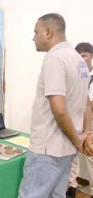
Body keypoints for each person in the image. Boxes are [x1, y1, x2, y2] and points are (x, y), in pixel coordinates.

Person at [18, 13, 91, 198]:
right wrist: (84, 134)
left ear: (48, 32)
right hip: (67, 149)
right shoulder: (79, 61)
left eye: (36, 32)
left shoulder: (55, 59)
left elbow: (59, 109)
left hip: (47, 150)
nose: (33, 37)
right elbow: (86, 103)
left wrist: (77, 139)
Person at [67, 42, 93, 198]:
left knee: (91, 158)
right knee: (72, 157)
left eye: (84, 55)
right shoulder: (77, 76)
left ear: (91, 56)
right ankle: (72, 187)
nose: (81, 59)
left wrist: (88, 130)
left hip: (91, 124)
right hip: (76, 122)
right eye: (79, 56)